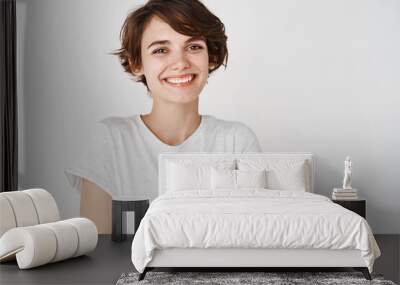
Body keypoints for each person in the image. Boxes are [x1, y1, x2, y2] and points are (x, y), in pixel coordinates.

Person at [65, 0, 262, 234]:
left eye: (194, 47)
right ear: (136, 63)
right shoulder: (110, 140)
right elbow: (99, 249)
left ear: (211, 57)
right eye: (161, 50)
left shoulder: (236, 142)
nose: (180, 63)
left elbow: (248, 237)